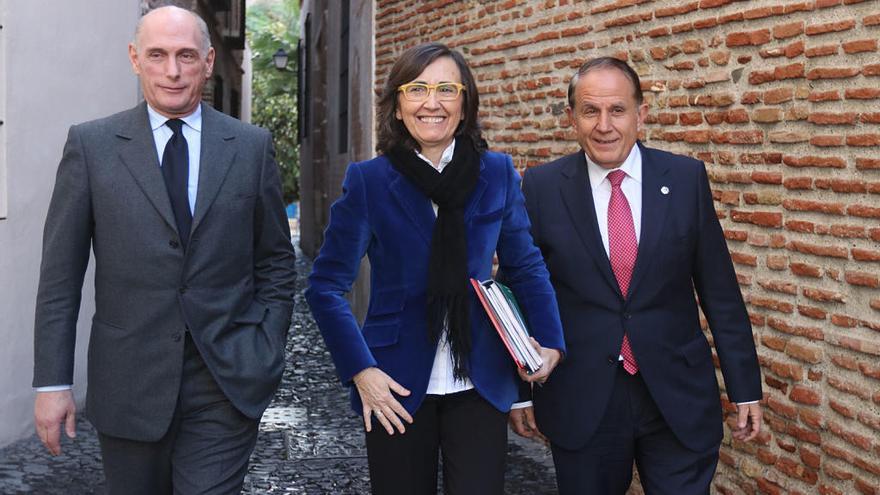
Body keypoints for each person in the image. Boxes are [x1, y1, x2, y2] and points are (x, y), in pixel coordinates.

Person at [32, 6, 296, 494]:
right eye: (157, 55)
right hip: (129, 381)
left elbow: (276, 259)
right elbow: (60, 277)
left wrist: (265, 344)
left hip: (225, 379)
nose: (172, 71)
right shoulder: (92, 147)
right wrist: (52, 382)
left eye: (185, 56)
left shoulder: (251, 146)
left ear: (209, 60)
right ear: (135, 59)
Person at [305, 42, 565, 495]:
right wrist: (361, 371)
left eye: (447, 88)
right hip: (393, 384)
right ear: (399, 107)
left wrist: (550, 343)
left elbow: (525, 267)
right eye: (417, 89)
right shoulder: (369, 182)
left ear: (464, 106)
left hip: (480, 378)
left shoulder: (498, 173)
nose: (432, 101)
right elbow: (326, 286)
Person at [508, 57, 763, 494]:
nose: (604, 125)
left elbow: (719, 292)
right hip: (582, 396)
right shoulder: (541, 187)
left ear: (641, 114)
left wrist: (745, 388)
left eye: (618, 110)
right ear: (571, 118)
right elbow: (521, 293)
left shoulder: (685, 179)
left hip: (676, 396)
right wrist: (520, 390)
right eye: (590, 111)